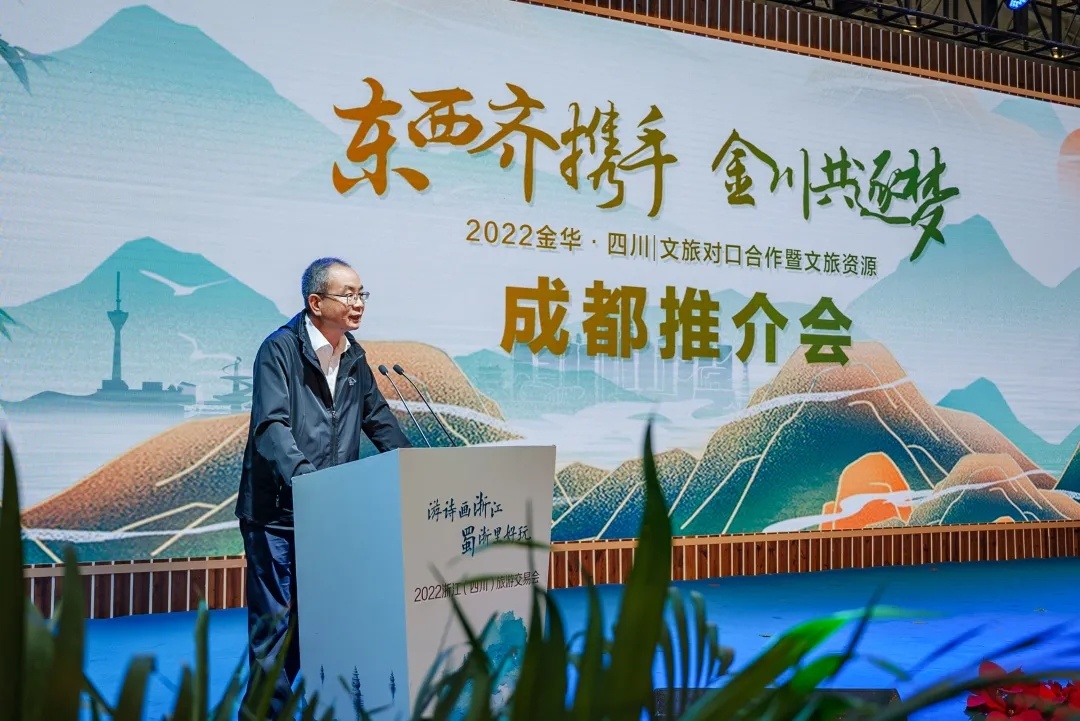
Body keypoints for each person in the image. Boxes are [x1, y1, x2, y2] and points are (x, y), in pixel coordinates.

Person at [234, 257, 411, 716]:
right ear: (316, 303)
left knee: (315, 626)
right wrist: (309, 482)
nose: (358, 303)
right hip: (277, 515)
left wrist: (416, 468)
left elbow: (379, 420)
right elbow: (271, 427)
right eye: (347, 294)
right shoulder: (279, 350)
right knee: (274, 628)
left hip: (330, 514)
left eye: (361, 294)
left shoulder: (354, 356)